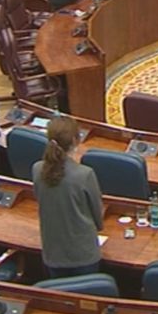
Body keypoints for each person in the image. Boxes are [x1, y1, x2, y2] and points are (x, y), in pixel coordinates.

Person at [31, 115, 104, 277]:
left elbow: (40, 199)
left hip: (53, 252)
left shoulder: (37, 169)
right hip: (83, 254)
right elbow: (97, 215)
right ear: (75, 140)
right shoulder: (84, 174)